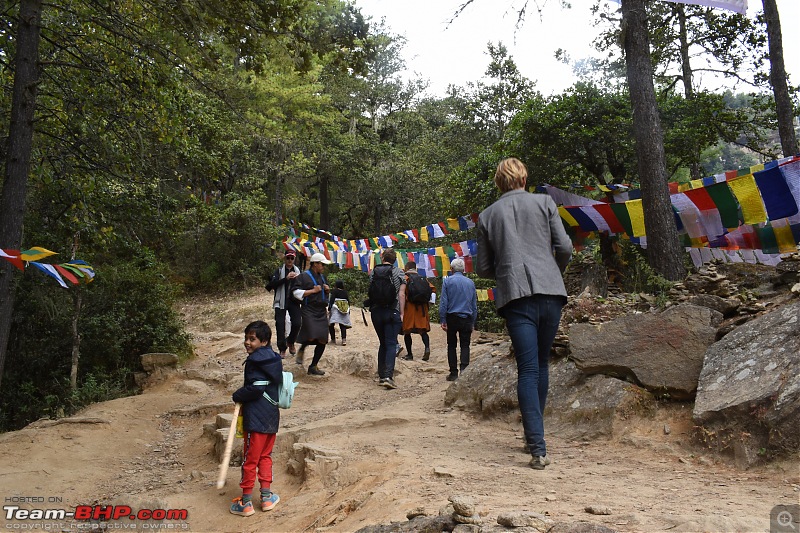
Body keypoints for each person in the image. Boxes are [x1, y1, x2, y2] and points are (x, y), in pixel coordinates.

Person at [475, 157, 572, 471]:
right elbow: (565, 247)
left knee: (528, 370)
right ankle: (535, 439)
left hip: (516, 297)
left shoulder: (488, 215)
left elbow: (484, 268)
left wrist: (509, 270)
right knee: (541, 365)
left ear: (498, 182)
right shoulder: (545, 203)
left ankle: (537, 446)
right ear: (524, 178)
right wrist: (551, 273)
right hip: (552, 292)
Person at [229, 320, 282, 516]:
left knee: (250, 460)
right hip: (271, 417)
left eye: (252, 339)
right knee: (265, 456)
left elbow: (257, 388)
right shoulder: (274, 359)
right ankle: (267, 498)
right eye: (246, 338)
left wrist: (238, 395)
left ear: (264, 341)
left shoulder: (254, 361)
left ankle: (245, 503)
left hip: (256, 419)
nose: (247, 343)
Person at [367, 248, 405, 389]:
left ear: (382, 258)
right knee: (390, 344)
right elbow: (401, 294)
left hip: (376, 312)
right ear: (395, 260)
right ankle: (388, 376)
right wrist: (401, 313)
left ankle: (382, 374)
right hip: (391, 311)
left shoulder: (374, 272)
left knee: (382, 343)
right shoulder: (399, 272)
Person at [292, 253, 332, 376]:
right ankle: (303, 347)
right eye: (322, 264)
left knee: (323, 339)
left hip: (321, 310)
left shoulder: (322, 277)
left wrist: (327, 290)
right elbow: (295, 292)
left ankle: (313, 366)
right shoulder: (303, 277)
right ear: (315, 264)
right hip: (309, 309)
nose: (323, 267)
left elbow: (324, 294)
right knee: (311, 334)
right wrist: (312, 291)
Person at [439, 257, 478, 382]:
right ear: (463, 270)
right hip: (466, 317)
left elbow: (444, 302)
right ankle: (464, 371)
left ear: (451, 269)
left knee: (451, 345)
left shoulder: (447, 282)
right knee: (465, 345)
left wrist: (443, 319)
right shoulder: (470, 283)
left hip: (452, 317)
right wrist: (473, 322)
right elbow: (474, 305)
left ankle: (453, 373)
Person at [265, 250, 301, 358]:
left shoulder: (298, 271)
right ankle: (282, 348)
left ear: (294, 259)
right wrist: (285, 279)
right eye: (288, 258)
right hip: (280, 301)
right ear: (284, 259)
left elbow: (303, 286)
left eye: (292, 258)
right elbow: (271, 285)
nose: (290, 260)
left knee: (297, 323)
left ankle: (290, 341)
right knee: (280, 325)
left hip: (294, 301)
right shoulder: (279, 270)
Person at [400, 261, 434, 361]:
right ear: (416, 268)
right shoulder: (424, 279)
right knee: (422, 330)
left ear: (406, 268)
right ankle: (427, 348)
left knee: (407, 331)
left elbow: (401, 293)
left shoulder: (405, 279)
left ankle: (410, 354)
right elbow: (433, 290)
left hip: (409, 308)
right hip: (421, 309)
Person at [328, 279, 351, 345]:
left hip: (335, 308)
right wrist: (348, 310)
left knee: (331, 324)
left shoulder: (335, 291)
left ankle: (333, 340)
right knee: (342, 324)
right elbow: (348, 301)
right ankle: (344, 340)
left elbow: (332, 300)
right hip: (344, 309)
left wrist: (329, 308)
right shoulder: (345, 292)